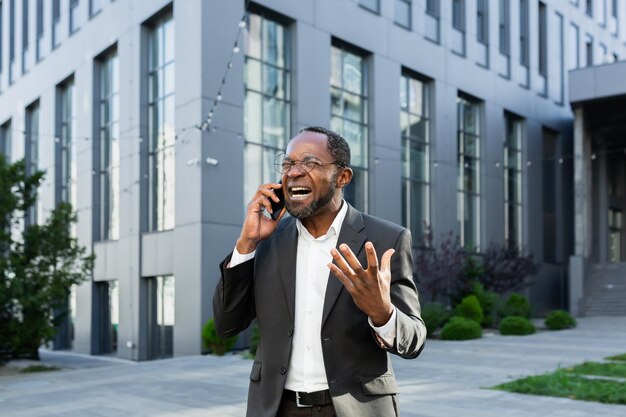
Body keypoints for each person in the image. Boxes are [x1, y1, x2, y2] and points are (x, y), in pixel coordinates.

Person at [213, 126, 426, 417]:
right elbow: (227, 325)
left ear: (342, 177)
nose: (294, 172)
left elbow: (414, 340)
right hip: (277, 408)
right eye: (287, 163)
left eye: (310, 162)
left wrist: (382, 313)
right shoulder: (265, 241)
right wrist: (246, 243)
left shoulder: (386, 239)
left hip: (355, 409)